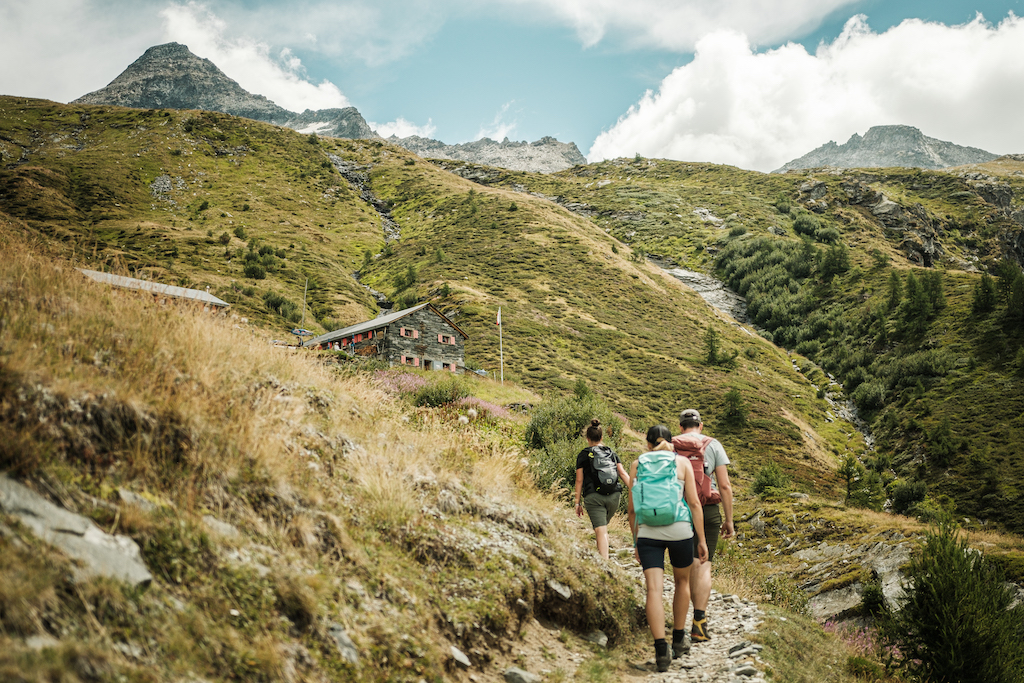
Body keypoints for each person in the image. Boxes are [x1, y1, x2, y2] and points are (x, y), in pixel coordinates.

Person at [628, 424, 708, 672]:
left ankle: (661, 649)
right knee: (682, 583)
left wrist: (636, 541)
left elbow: (631, 510)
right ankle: (678, 638)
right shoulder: (681, 462)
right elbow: (694, 503)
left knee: (654, 589)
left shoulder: (637, 464)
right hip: (680, 530)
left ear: (648, 444)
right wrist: (702, 539)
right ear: (670, 442)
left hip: (648, 532)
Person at [673, 408, 734, 644]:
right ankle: (699, 622)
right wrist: (728, 520)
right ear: (701, 425)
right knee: (703, 564)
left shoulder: (671, 444)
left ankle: (677, 624)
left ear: (680, 426)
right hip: (707, 511)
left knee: (682, 570)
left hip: (677, 510)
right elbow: (725, 485)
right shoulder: (713, 444)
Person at [574, 419, 630, 560]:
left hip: (594, 497)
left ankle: (605, 563)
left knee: (601, 530)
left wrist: (577, 502)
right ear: (602, 437)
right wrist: (638, 491)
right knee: (602, 527)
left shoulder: (584, 454)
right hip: (614, 496)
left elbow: (579, 480)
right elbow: (622, 473)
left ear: (587, 438)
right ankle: (602, 551)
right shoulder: (611, 452)